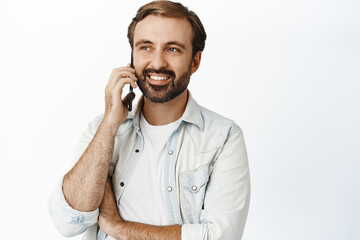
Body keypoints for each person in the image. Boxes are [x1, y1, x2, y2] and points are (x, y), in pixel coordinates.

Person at [48, 1, 250, 239]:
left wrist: (117, 227)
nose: (157, 63)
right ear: (132, 55)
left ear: (195, 61)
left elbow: (220, 236)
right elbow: (68, 222)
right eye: (145, 47)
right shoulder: (101, 130)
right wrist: (109, 126)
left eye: (172, 49)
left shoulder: (223, 137)